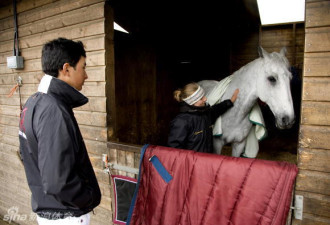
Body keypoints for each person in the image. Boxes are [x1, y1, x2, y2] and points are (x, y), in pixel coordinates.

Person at [18, 38, 101, 225]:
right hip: (67, 216)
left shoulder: (34, 102)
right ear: (66, 69)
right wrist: (88, 198)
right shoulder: (52, 109)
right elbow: (57, 182)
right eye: (83, 67)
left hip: (52, 211)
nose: (86, 75)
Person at [167, 82, 239, 153]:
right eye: (201, 98)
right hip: (191, 163)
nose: (205, 99)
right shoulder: (181, 121)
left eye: (203, 96)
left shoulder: (204, 113)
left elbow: (217, 109)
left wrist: (230, 101)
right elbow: (174, 150)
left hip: (205, 161)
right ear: (192, 102)